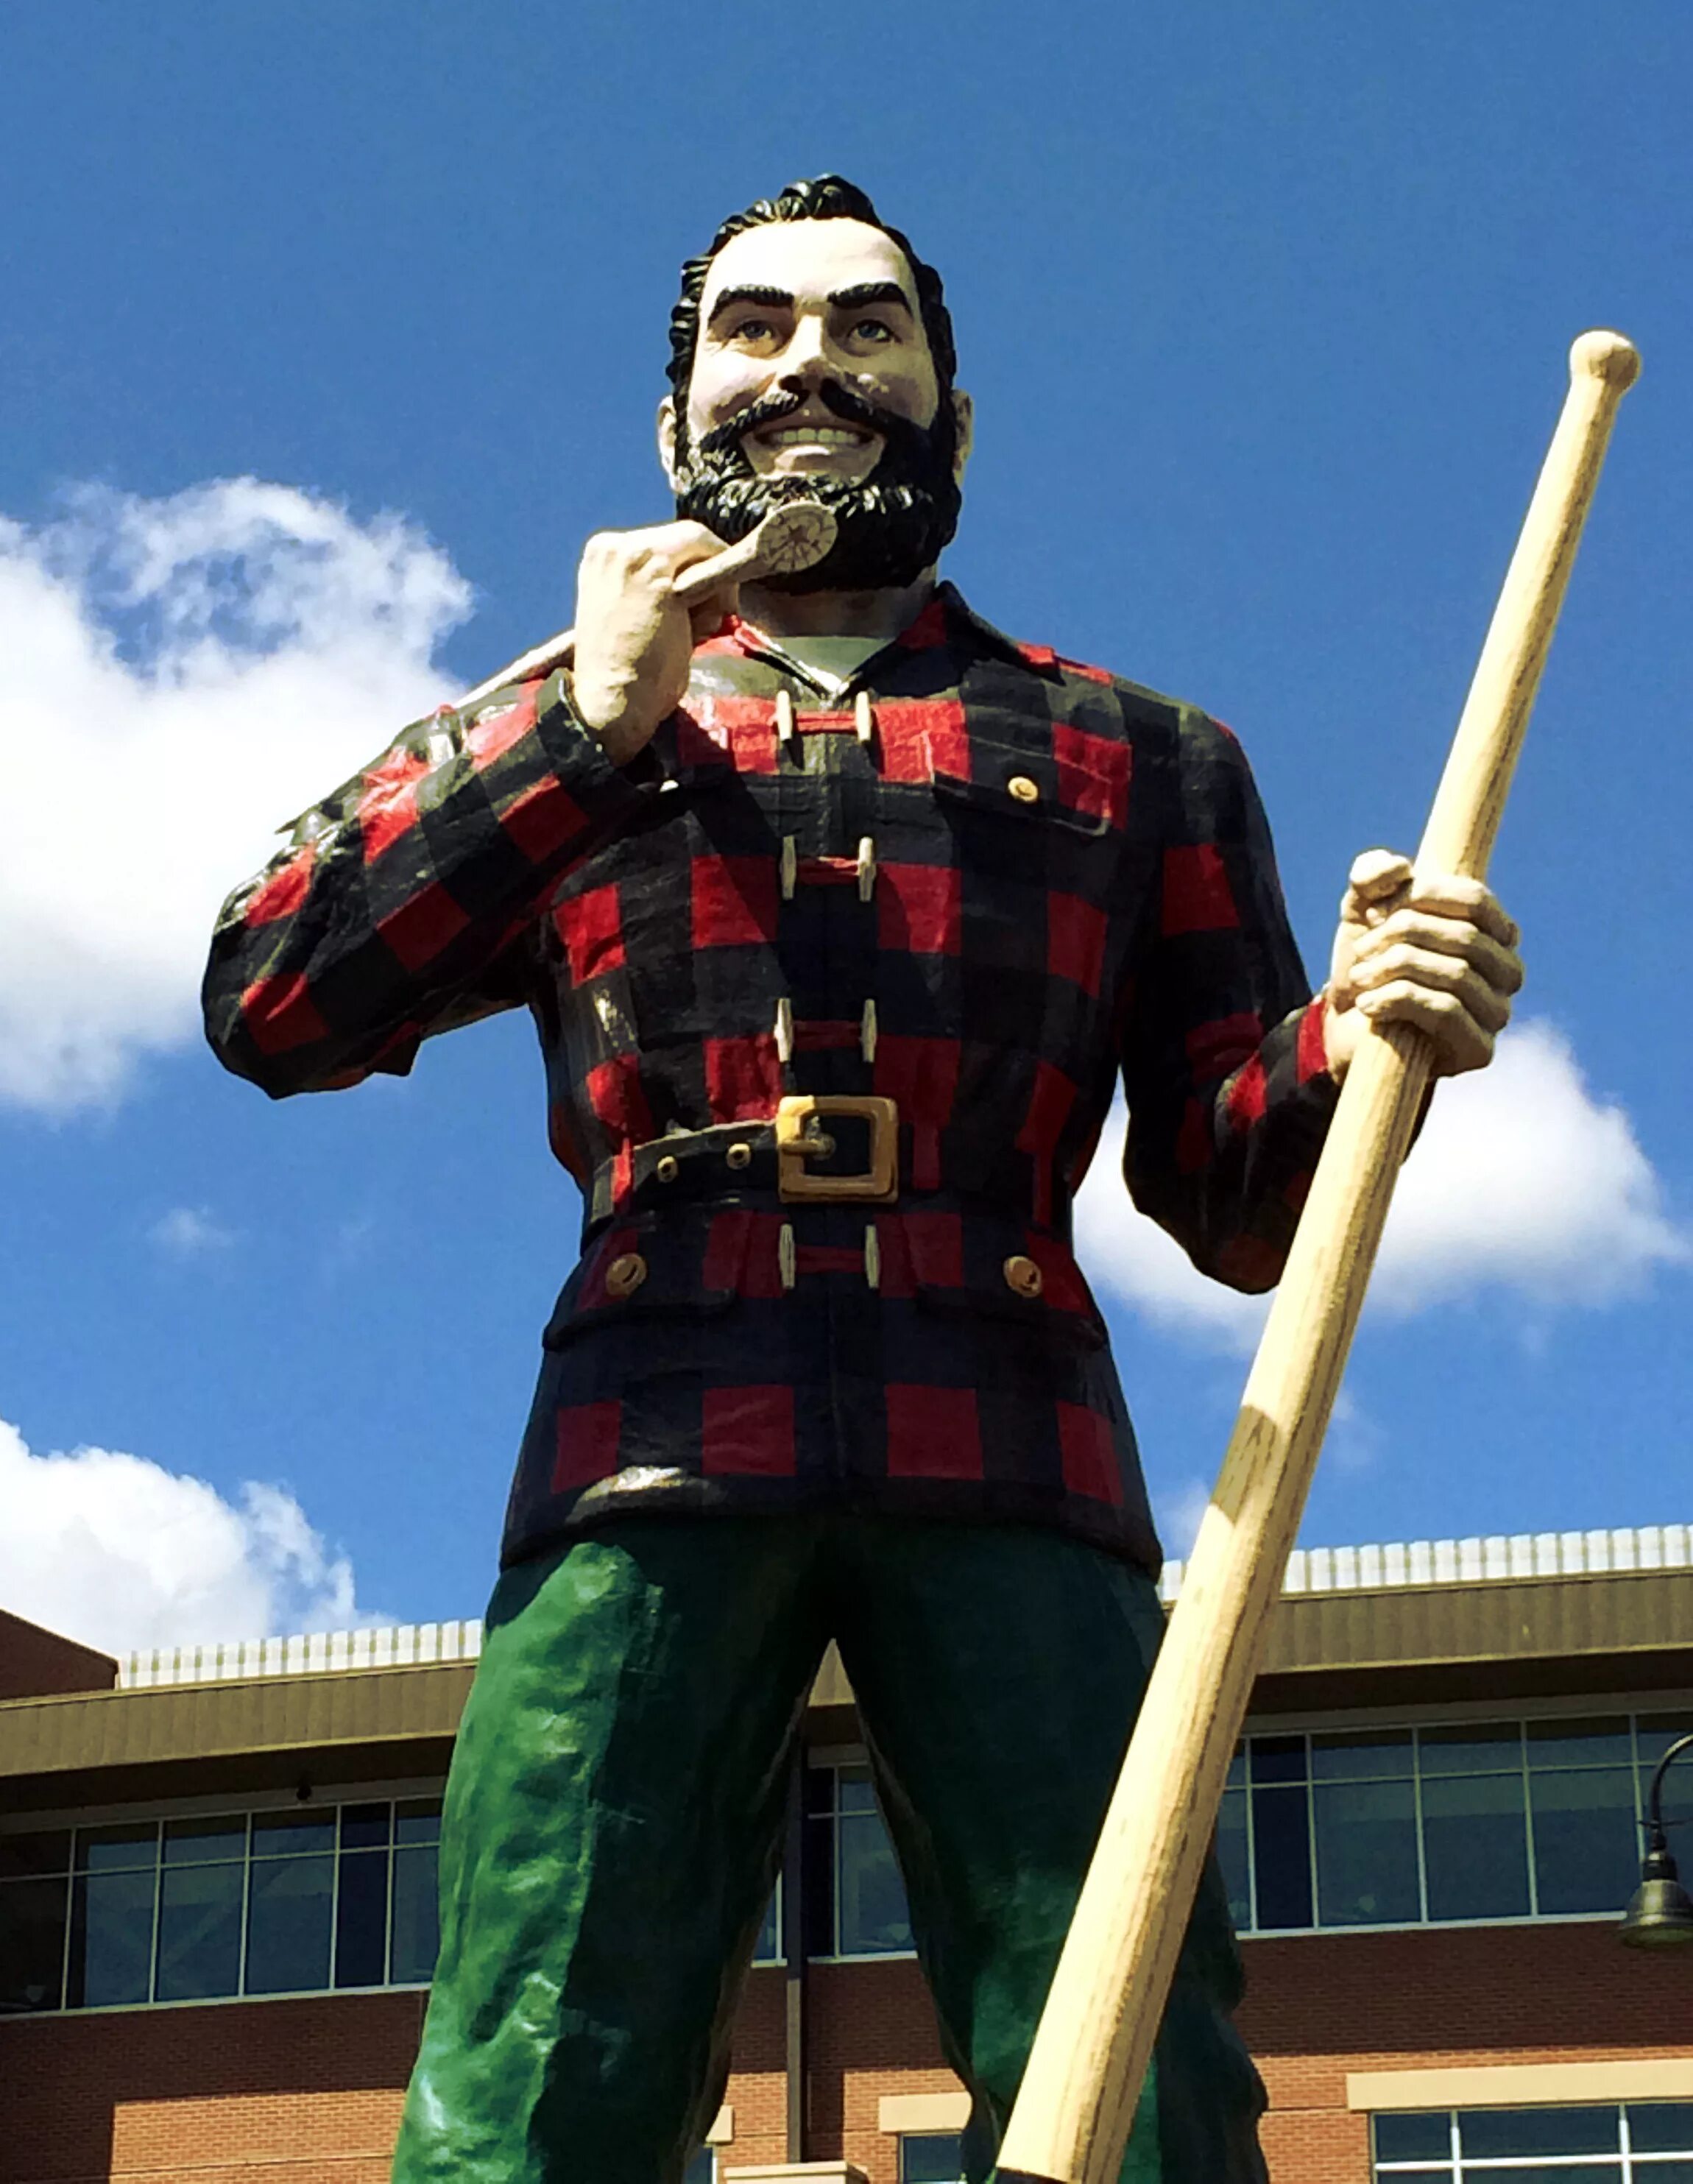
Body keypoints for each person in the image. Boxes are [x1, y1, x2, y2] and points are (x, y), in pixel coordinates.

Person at [203, 176, 1523, 2184]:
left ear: (952, 415)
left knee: (1124, 2041)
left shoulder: (1136, 756)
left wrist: (1364, 1039)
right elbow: (273, 991)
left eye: (863, 323)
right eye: (753, 328)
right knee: (543, 2037)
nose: (808, 360)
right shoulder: (562, 720)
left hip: (1009, 1448)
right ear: (678, 422)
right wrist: (581, 721)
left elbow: (1237, 1210)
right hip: (646, 1440)